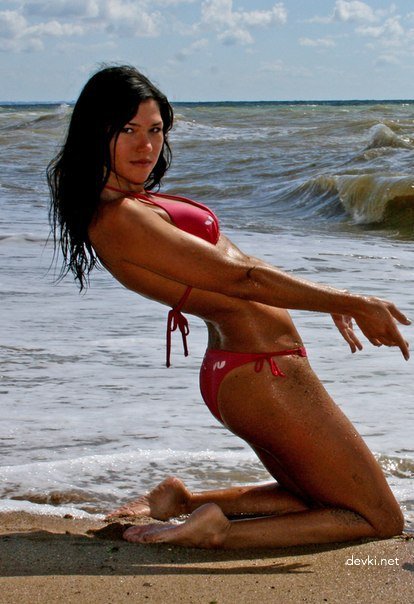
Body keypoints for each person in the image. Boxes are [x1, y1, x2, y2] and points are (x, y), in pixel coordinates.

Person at [48, 64, 410, 550]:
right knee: (378, 518)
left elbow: (239, 264)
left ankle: (182, 502)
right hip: (261, 370)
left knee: (314, 495)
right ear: (97, 133)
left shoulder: (131, 202)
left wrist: (327, 300)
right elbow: (240, 278)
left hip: (247, 366)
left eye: (155, 130)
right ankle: (217, 533)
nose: (145, 146)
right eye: (128, 131)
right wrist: (351, 300)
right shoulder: (118, 217)